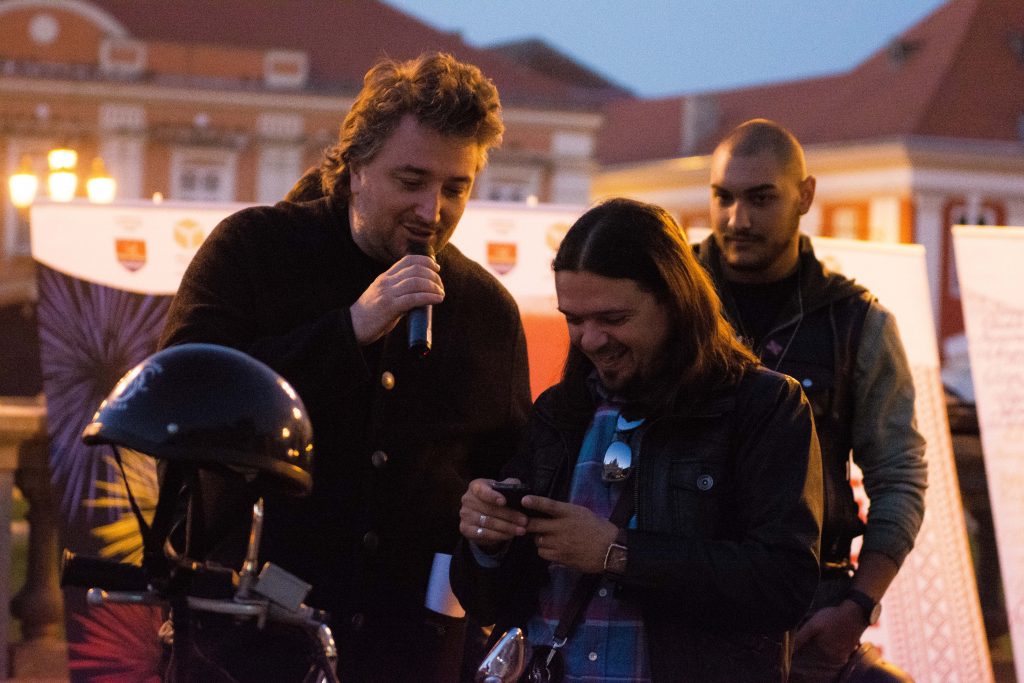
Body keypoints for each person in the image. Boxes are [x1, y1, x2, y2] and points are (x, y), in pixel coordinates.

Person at [158, 52, 532, 682]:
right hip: (245, 644)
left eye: (456, 188)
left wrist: (495, 514)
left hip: (409, 654)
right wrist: (350, 329)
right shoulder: (253, 249)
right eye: (410, 181)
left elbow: (510, 467)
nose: (432, 210)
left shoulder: (486, 308)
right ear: (356, 166)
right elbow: (181, 396)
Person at [451, 198, 823, 681]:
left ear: (674, 300)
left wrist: (618, 554)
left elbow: (785, 586)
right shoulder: (559, 412)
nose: (590, 340)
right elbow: (489, 602)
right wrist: (487, 541)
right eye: (574, 319)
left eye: (613, 319)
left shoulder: (762, 406)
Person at [699, 118, 928, 682]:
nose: (737, 219)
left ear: (804, 196)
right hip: (682, 601)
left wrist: (856, 607)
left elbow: (898, 476)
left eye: (761, 199)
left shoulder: (856, 323)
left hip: (808, 612)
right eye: (724, 198)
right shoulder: (669, 306)